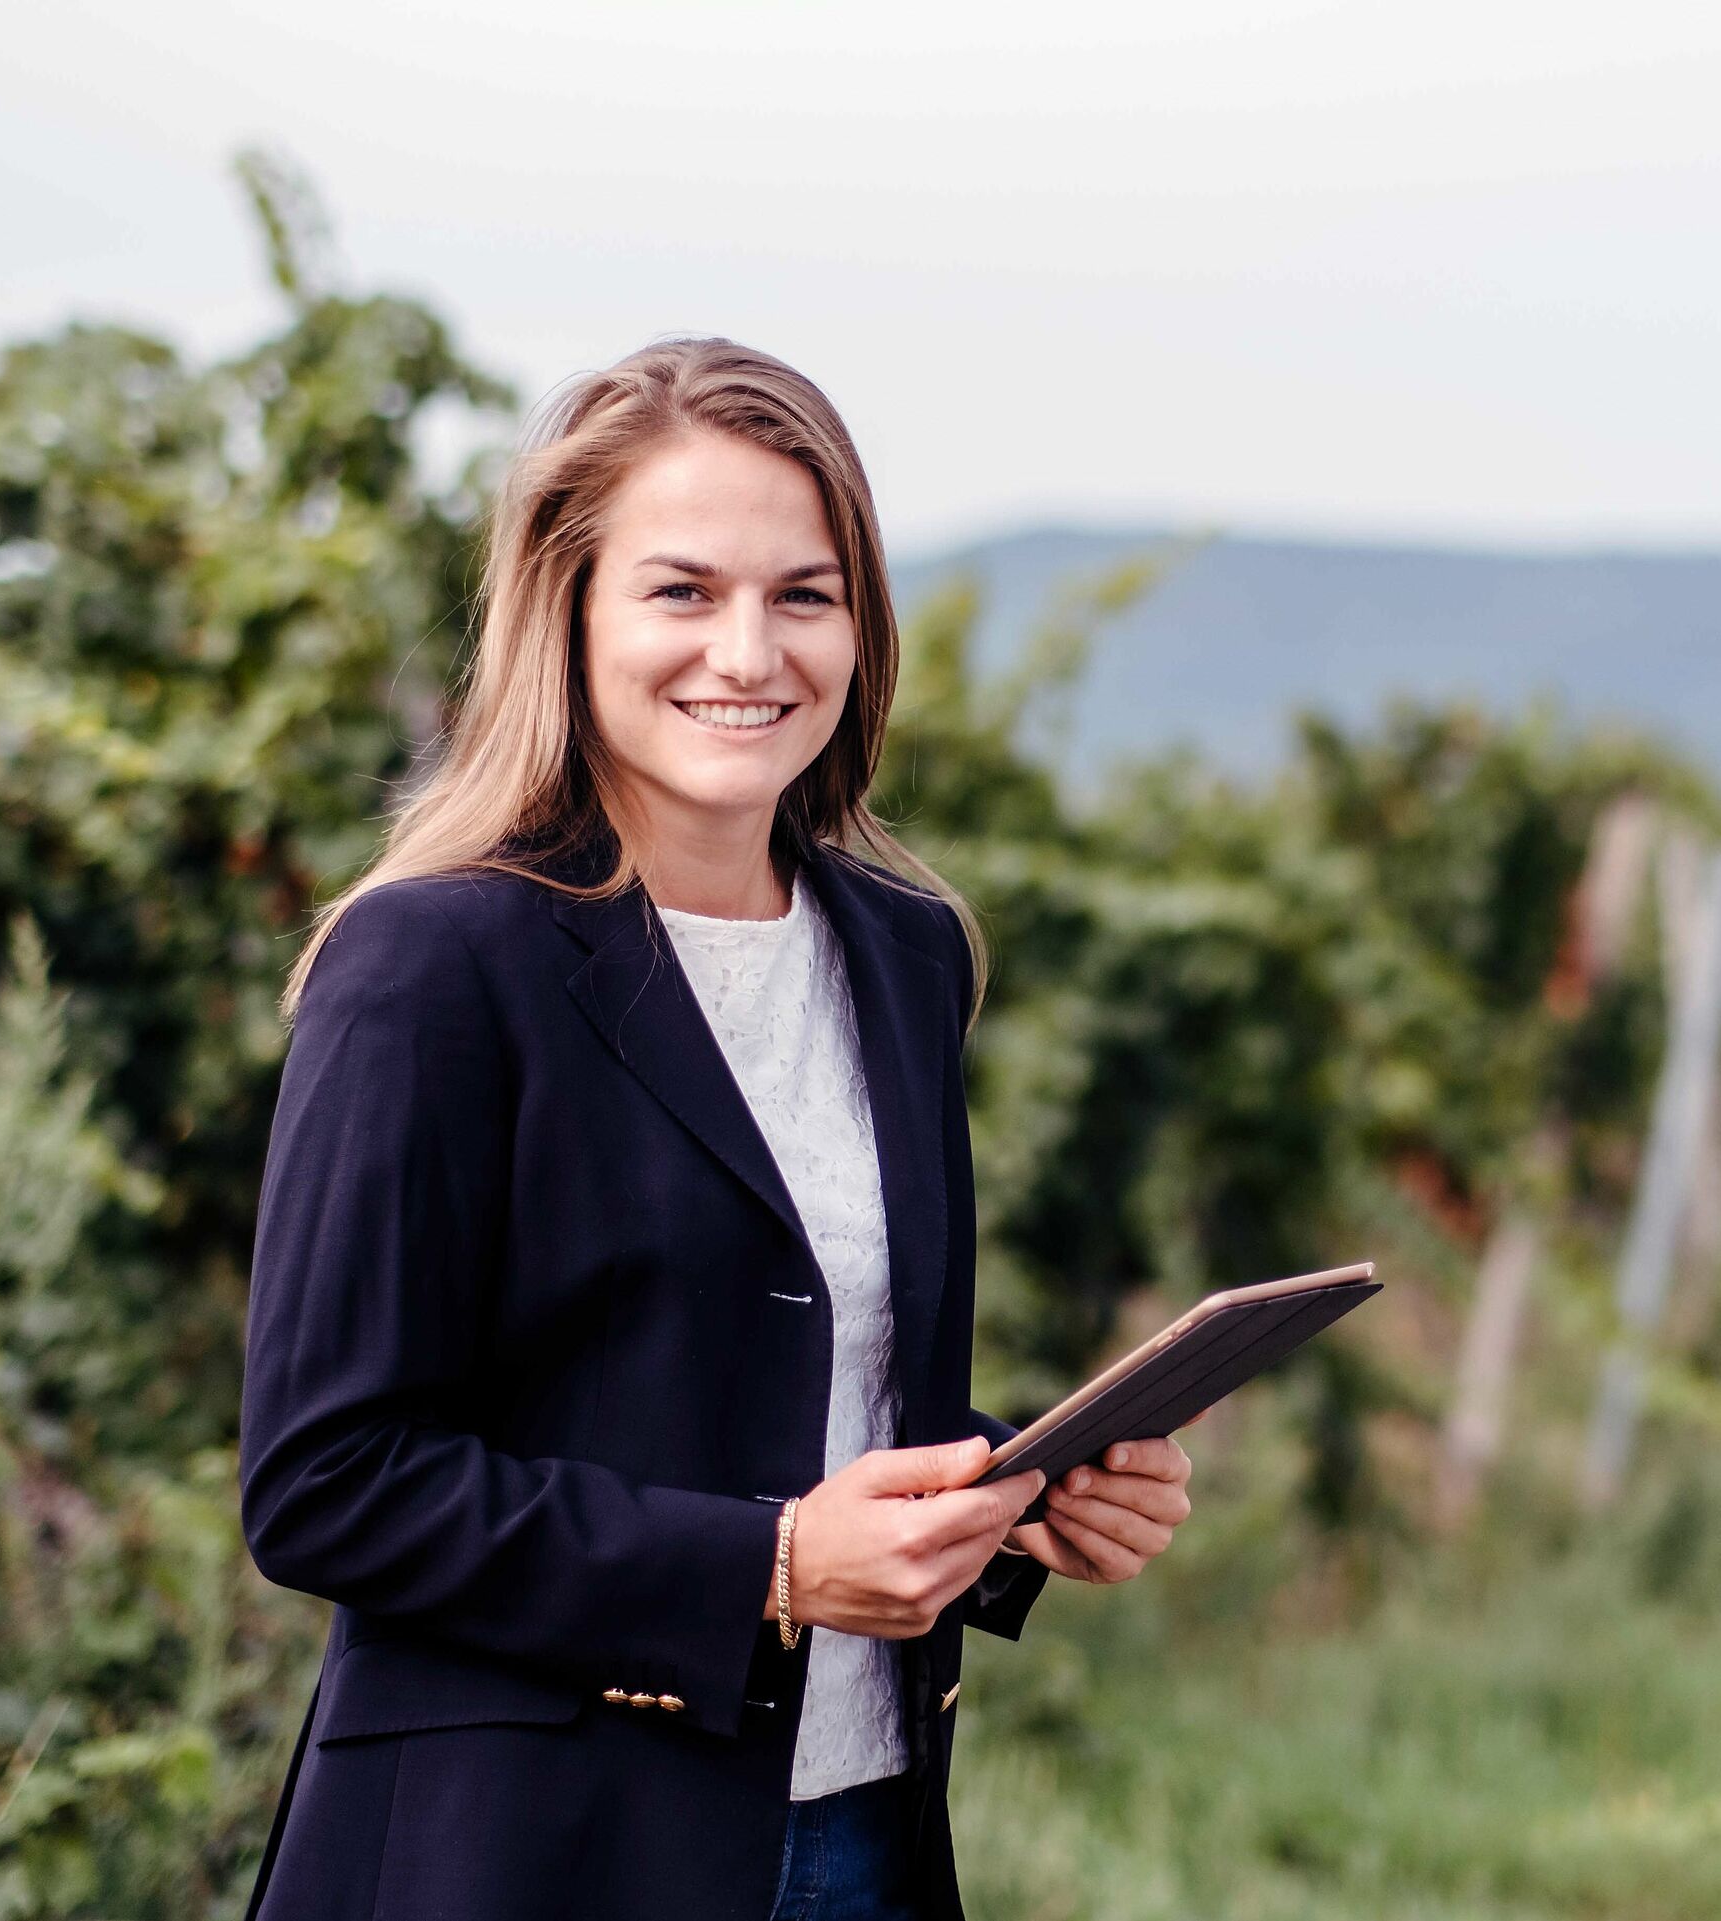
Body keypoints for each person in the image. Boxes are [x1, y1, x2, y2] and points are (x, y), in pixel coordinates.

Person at [236, 337, 1195, 1921]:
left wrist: (1026, 1500)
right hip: (527, 1860)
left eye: (802, 595)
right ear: (572, 610)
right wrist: (765, 1567)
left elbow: (800, 1391)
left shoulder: (902, 953)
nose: (747, 651)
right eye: (682, 591)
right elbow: (326, 1479)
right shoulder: (434, 961)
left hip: (864, 1837)